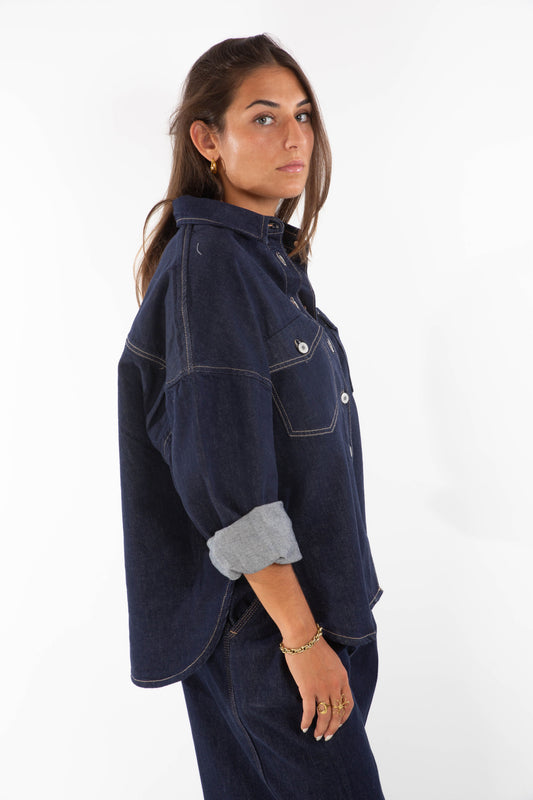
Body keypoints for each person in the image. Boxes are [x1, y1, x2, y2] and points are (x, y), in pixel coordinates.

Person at [118, 34, 385, 800]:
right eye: (263, 117)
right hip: (269, 634)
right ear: (208, 139)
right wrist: (300, 640)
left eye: (302, 115)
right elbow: (224, 484)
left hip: (304, 621)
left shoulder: (261, 264)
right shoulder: (212, 272)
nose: (294, 136)